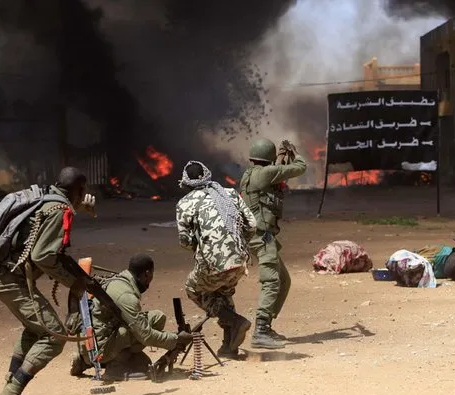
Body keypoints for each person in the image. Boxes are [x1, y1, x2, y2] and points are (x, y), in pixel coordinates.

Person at [0, 167, 98, 395]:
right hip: (10, 280)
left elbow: (44, 223)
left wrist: (77, 207)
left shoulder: (48, 197)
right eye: (83, 191)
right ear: (78, 190)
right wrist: (74, 283)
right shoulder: (61, 210)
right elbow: (44, 257)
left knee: (34, 329)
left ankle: (10, 391)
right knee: (53, 337)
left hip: (1, 275)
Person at [176, 161, 257, 359]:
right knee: (224, 294)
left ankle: (234, 320)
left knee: (193, 288)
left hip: (211, 264)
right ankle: (228, 347)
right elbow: (252, 224)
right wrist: (236, 244)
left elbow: (185, 241)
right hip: (240, 260)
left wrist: (202, 247)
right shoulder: (228, 193)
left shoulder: (185, 203)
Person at [70, 253, 192, 380]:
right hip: (99, 349)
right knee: (135, 333)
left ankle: (84, 361)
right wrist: (176, 339)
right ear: (147, 274)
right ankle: (117, 366)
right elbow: (146, 336)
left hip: (94, 341)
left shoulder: (120, 280)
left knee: (157, 317)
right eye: (151, 276)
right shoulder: (126, 297)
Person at [240, 138, 307, 349]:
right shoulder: (266, 174)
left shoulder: (252, 174)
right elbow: (300, 168)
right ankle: (260, 330)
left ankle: (266, 326)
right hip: (262, 237)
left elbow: (275, 172)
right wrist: (294, 154)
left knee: (284, 280)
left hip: (259, 236)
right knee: (271, 282)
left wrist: (280, 158)